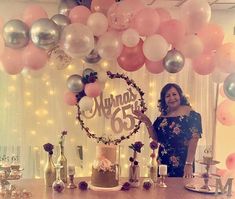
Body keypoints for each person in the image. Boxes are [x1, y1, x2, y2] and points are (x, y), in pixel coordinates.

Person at [134, 83, 202, 178]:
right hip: (163, 162)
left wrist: (189, 164)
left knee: (180, 191)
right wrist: (147, 121)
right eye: (167, 96)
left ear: (180, 96)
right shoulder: (163, 115)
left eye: (174, 94)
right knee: (162, 191)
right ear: (164, 100)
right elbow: (155, 137)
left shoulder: (191, 114)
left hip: (183, 163)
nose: (171, 98)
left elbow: (194, 140)